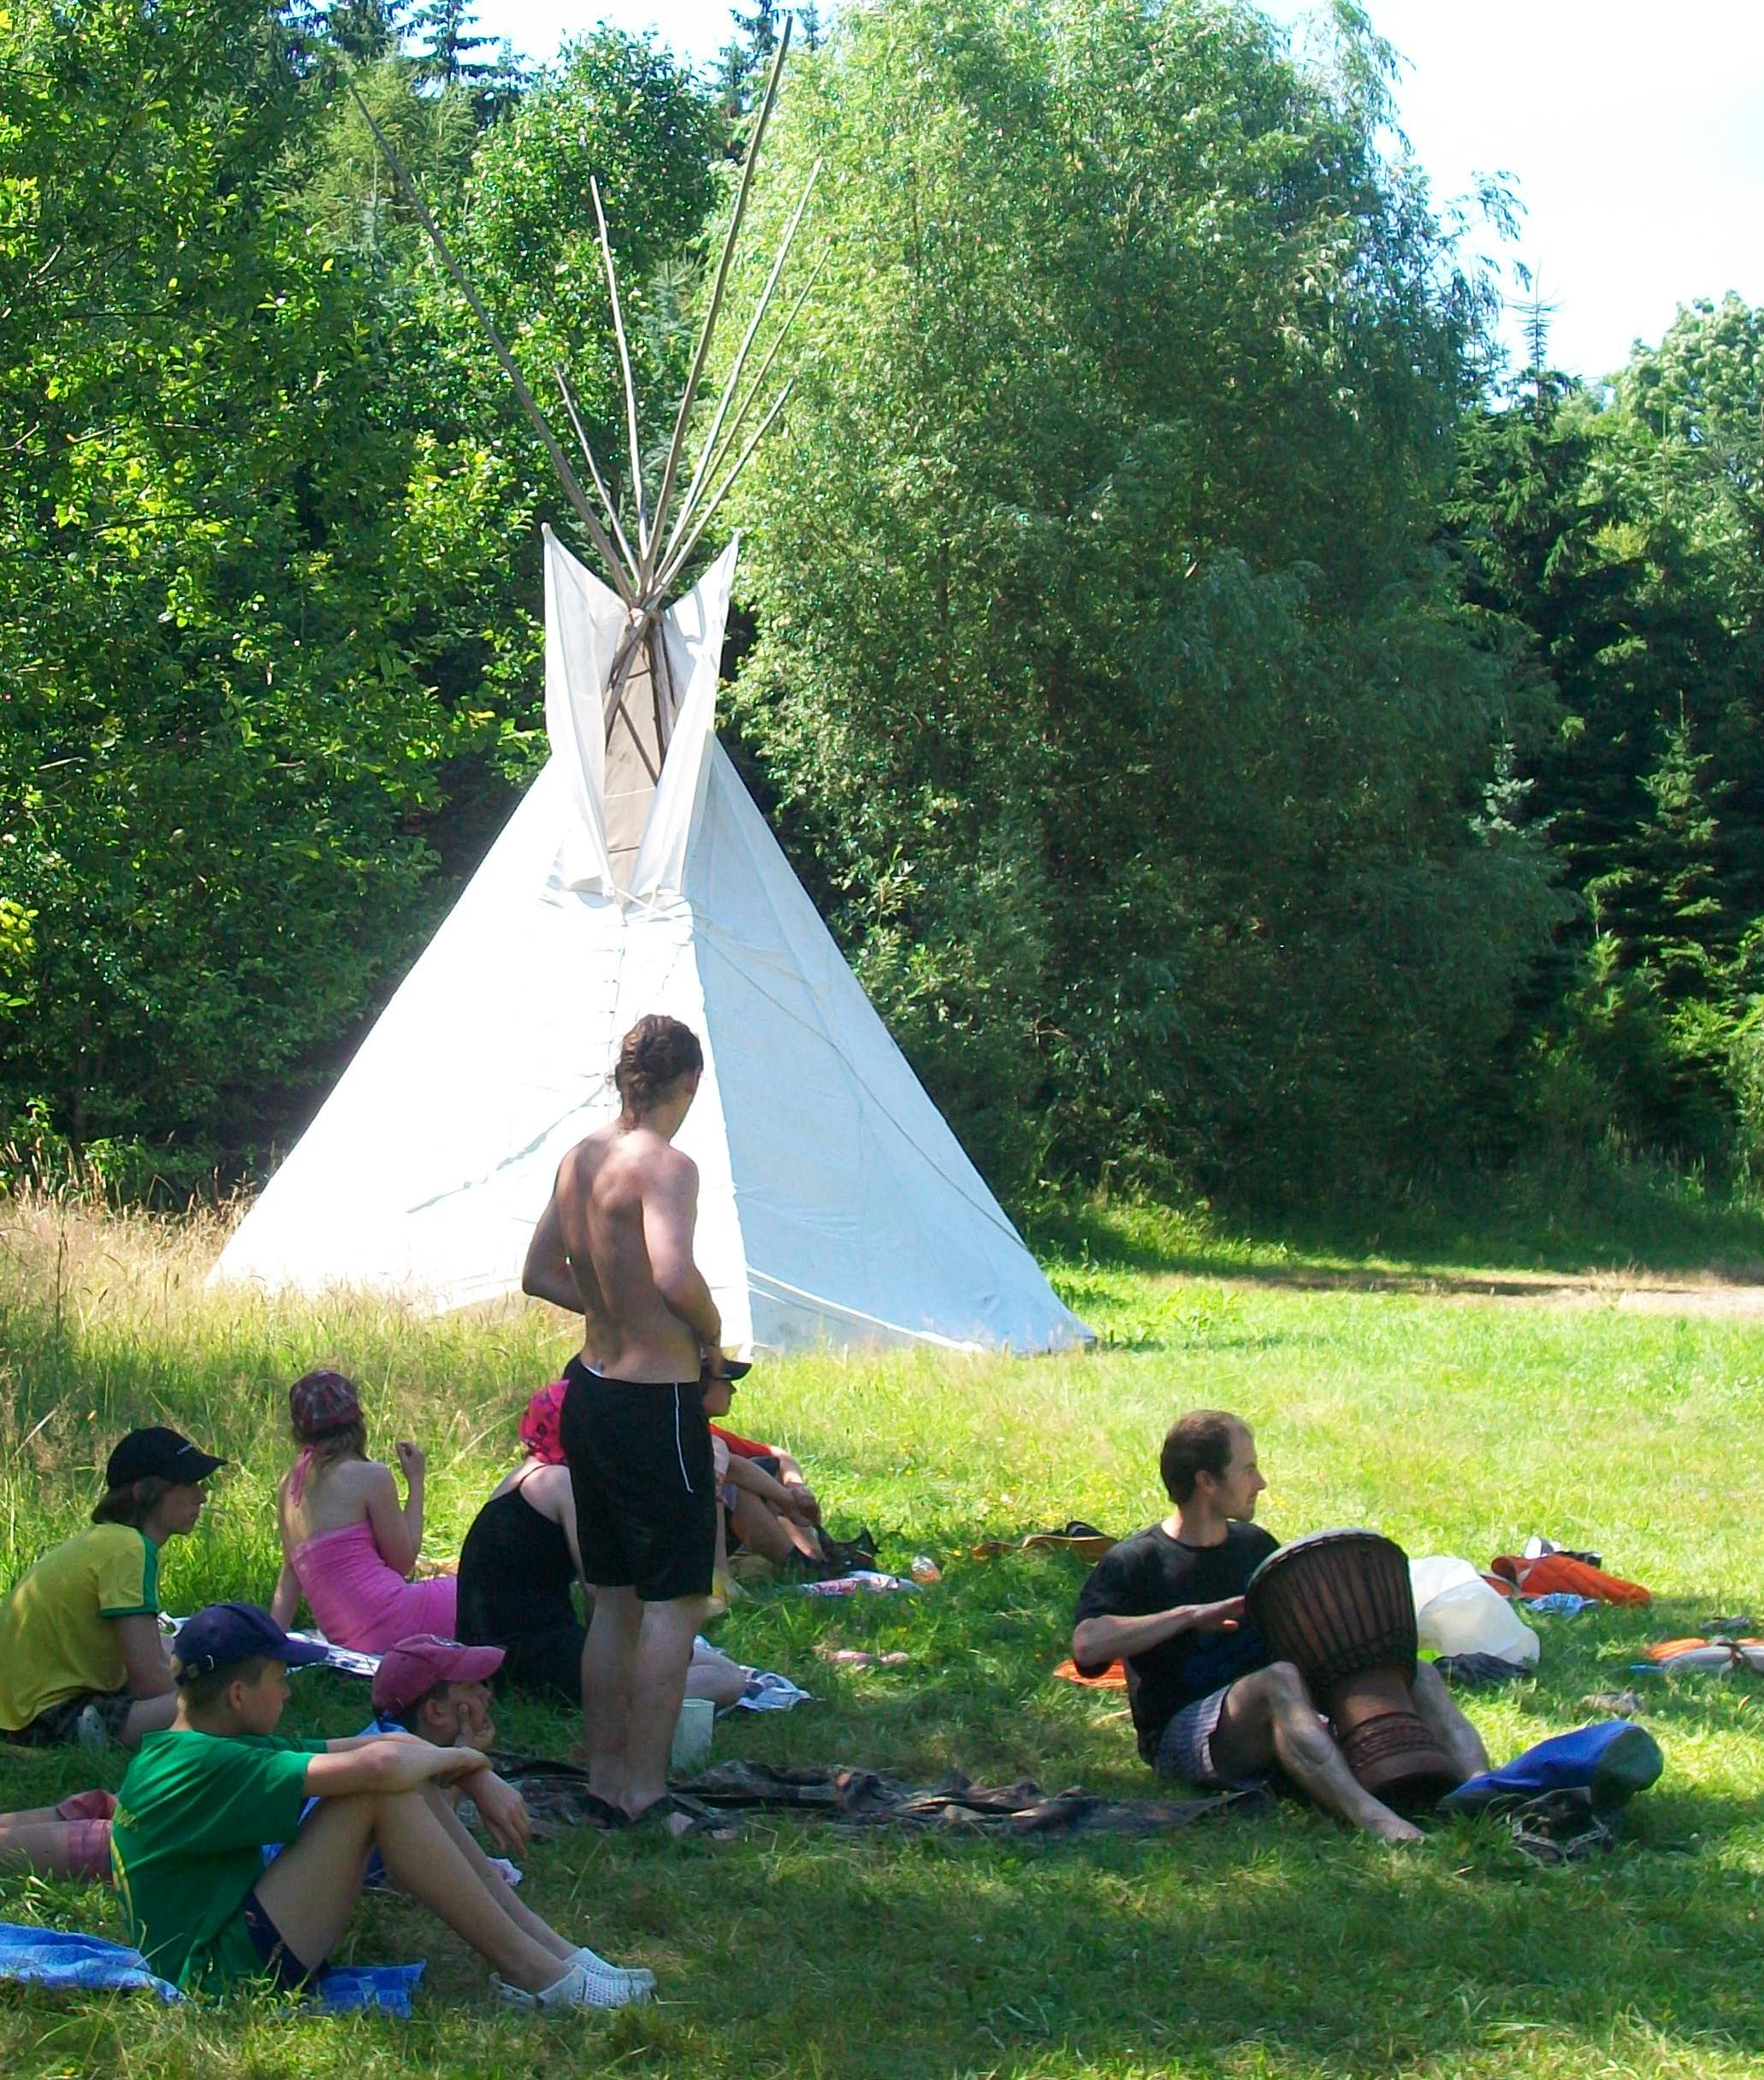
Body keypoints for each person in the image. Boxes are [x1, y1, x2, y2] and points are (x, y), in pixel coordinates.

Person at [110, 1601, 654, 2007]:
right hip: (218, 1978)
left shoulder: (199, 1745)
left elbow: (373, 1746)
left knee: (393, 1781)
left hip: (220, 1948)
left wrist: (473, 1771)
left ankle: (555, 1956)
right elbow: (379, 1765)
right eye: (279, 1680)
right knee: (380, 1792)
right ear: (237, 1695)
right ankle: (539, 1976)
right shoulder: (208, 1763)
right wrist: (472, 1763)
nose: (288, 1693)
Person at [1070, 1410, 1489, 1845]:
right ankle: (1375, 1820)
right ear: (1206, 1481)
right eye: (1247, 1469)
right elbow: (1087, 1645)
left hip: (1276, 1711)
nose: (1261, 1482)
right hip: (1182, 1736)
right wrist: (1190, 1616)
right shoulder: (1137, 1561)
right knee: (1278, 1680)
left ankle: (1484, 1791)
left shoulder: (1254, 1546)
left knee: (1417, 1671)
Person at [522, 1014, 728, 1824]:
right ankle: (645, 1790)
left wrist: (611, 1301)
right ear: (690, 1082)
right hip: (654, 1402)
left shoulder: (581, 1159)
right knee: (675, 1602)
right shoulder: (667, 1166)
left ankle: (604, 1779)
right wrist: (710, 1333)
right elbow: (675, 1275)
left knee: (610, 1600)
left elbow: (539, 1271)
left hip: (590, 1389)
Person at [458, 1383, 746, 1710]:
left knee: (693, 1660)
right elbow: (603, 1590)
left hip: (493, 1651)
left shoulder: (523, 1477)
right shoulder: (561, 1484)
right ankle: (630, 1707)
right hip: (529, 1656)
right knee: (725, 1677)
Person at [0, 1426, 223, 1749]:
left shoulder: (108, 1541)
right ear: (145, 1492)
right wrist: (216, 1687)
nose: (201, 1496)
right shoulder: (129, 1550)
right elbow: (148, 1682)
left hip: (19, 1711)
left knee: (186, 1657)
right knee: (224, 1699)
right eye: (188, 1484)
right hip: (42, 1719)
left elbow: (148, 1646)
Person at [271, 1370, 457, 1651]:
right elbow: (403, 1562)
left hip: (352, 1642)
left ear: (298, 1431)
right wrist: (416, 1482)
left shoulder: (289, 1487)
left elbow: (291, 1575)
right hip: (397, 1620)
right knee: (479, 1588)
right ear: (358, 1422)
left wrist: (271, 1644)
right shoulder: (371, 1476)